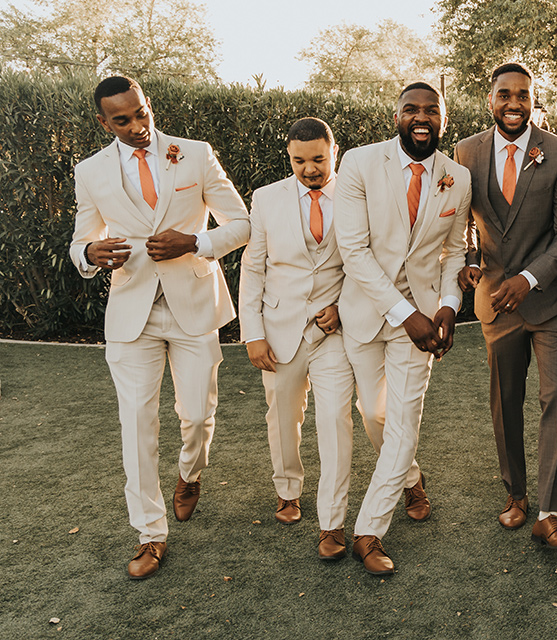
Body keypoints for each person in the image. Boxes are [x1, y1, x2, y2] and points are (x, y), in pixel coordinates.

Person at [69, 75, 249, 579]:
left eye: (141, 112)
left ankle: (190, 474)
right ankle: (150, 533)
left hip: (194, 304)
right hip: (131, 312)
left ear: (148, 105)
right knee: (137, 425)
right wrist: (89, 253)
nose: (137, 126)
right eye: (122, 120)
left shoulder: (194, 153)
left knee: (196, 415)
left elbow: (242, 223)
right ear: (103, 123)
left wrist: (195, 241)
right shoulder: (90, 171)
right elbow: (82, 238)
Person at [335, 82, 471, 575]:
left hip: (425, 316)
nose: (421, 116)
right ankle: (411, 478)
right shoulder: (359, 163)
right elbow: (353, 250)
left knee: (403, 420)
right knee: (375, 416)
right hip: (370, 311)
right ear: (396, 117)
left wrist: (450, 305)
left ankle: (369, 531)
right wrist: (403, 313)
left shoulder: (458, 176)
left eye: (430, 110)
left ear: (443, 119)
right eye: (410, 109)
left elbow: (455, 250)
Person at [455, 62, 557, 550]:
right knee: (505, 402)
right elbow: (464, 221)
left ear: (535, 100)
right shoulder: (465, 151)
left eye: (523, 95)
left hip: (552, 301)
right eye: (504, 94)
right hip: (496, 302)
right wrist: (471, 260)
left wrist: (529, 280)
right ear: (490, 99)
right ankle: (516, 494)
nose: (514, 102)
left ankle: (550, 512)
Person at [238, 117, 355, 560]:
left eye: (318, 159)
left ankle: (332, 523)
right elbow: (254, 267)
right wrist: (252, 333)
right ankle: (288, 491)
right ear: (289, 157)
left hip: (336, 332)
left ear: (335, 151)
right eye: (299, 161)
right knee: (283, 417)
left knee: (335, 421)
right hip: (280, 328)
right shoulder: (267, 198)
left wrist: (343, 306)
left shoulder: (356, 192)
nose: (309, 169)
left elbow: (367, 259)